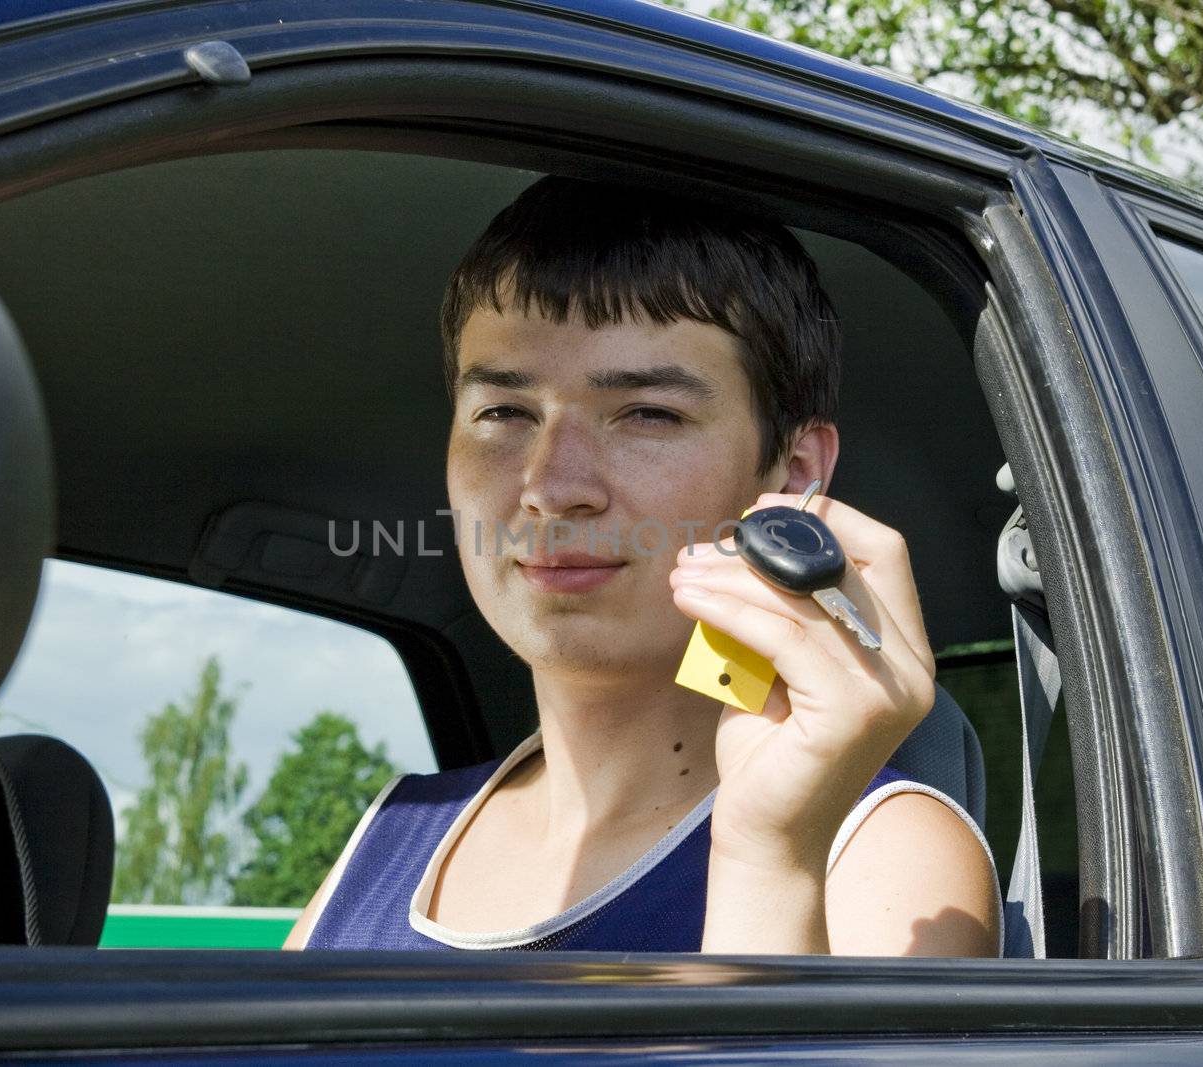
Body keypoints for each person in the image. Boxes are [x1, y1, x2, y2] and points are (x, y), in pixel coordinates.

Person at [285, 176, 1002, 955]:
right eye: (504, 413)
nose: (552, 488)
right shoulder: (388, 838)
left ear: (794, 474)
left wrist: (768, 855)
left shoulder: (874, 854)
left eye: (648, 414)